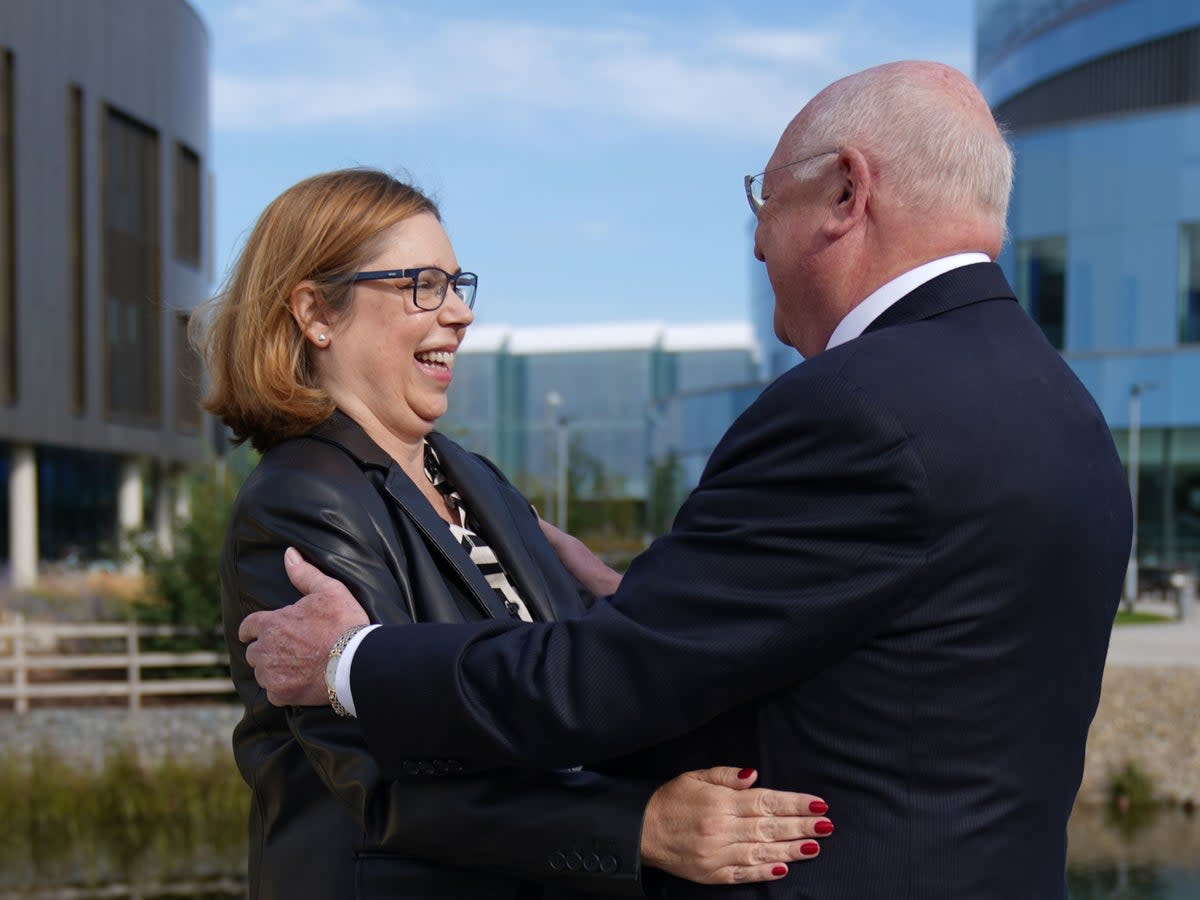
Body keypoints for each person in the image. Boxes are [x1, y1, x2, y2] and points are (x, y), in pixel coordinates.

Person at [241, 61, 1133, 899]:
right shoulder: (1069, 413)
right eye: (422, 285)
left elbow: (600, 677)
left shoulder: (854, 407)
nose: (754, 243)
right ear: (315, 312)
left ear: (848, 192)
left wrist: (346, 662)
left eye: (765, 200)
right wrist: (640, 806)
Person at [207, 169, 835, 900]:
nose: (458, 314)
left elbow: (563, 686)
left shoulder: (472, 478)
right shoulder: (300, 501)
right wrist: (641, 827)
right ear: (317, 311)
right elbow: (380, 779)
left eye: (456, 284)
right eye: (421, 285)